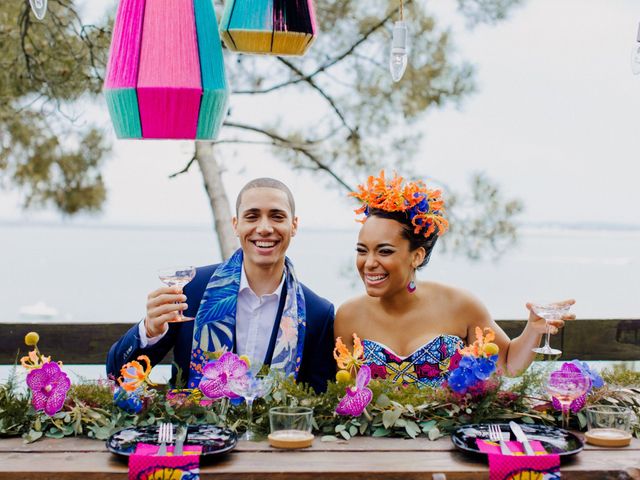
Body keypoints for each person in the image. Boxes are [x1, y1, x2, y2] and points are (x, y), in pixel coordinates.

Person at [334, 171, 574, 386]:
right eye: (362, 250)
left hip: (450, 435)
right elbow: (347, 393)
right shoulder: (348, 316)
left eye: (384, 251)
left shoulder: (460, 304)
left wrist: (532, 329)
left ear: (416, 256)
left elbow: (508, 364)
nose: (369, 262)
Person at [107, 178, 335, 393]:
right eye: (252, 216)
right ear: (236, 225)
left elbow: (318, 399)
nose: (264, 228)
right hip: (195, 431)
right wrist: (149, 331)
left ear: (293, 225)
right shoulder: (192, 291)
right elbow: (116, 374)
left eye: (277, 216)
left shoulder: (317, 313)